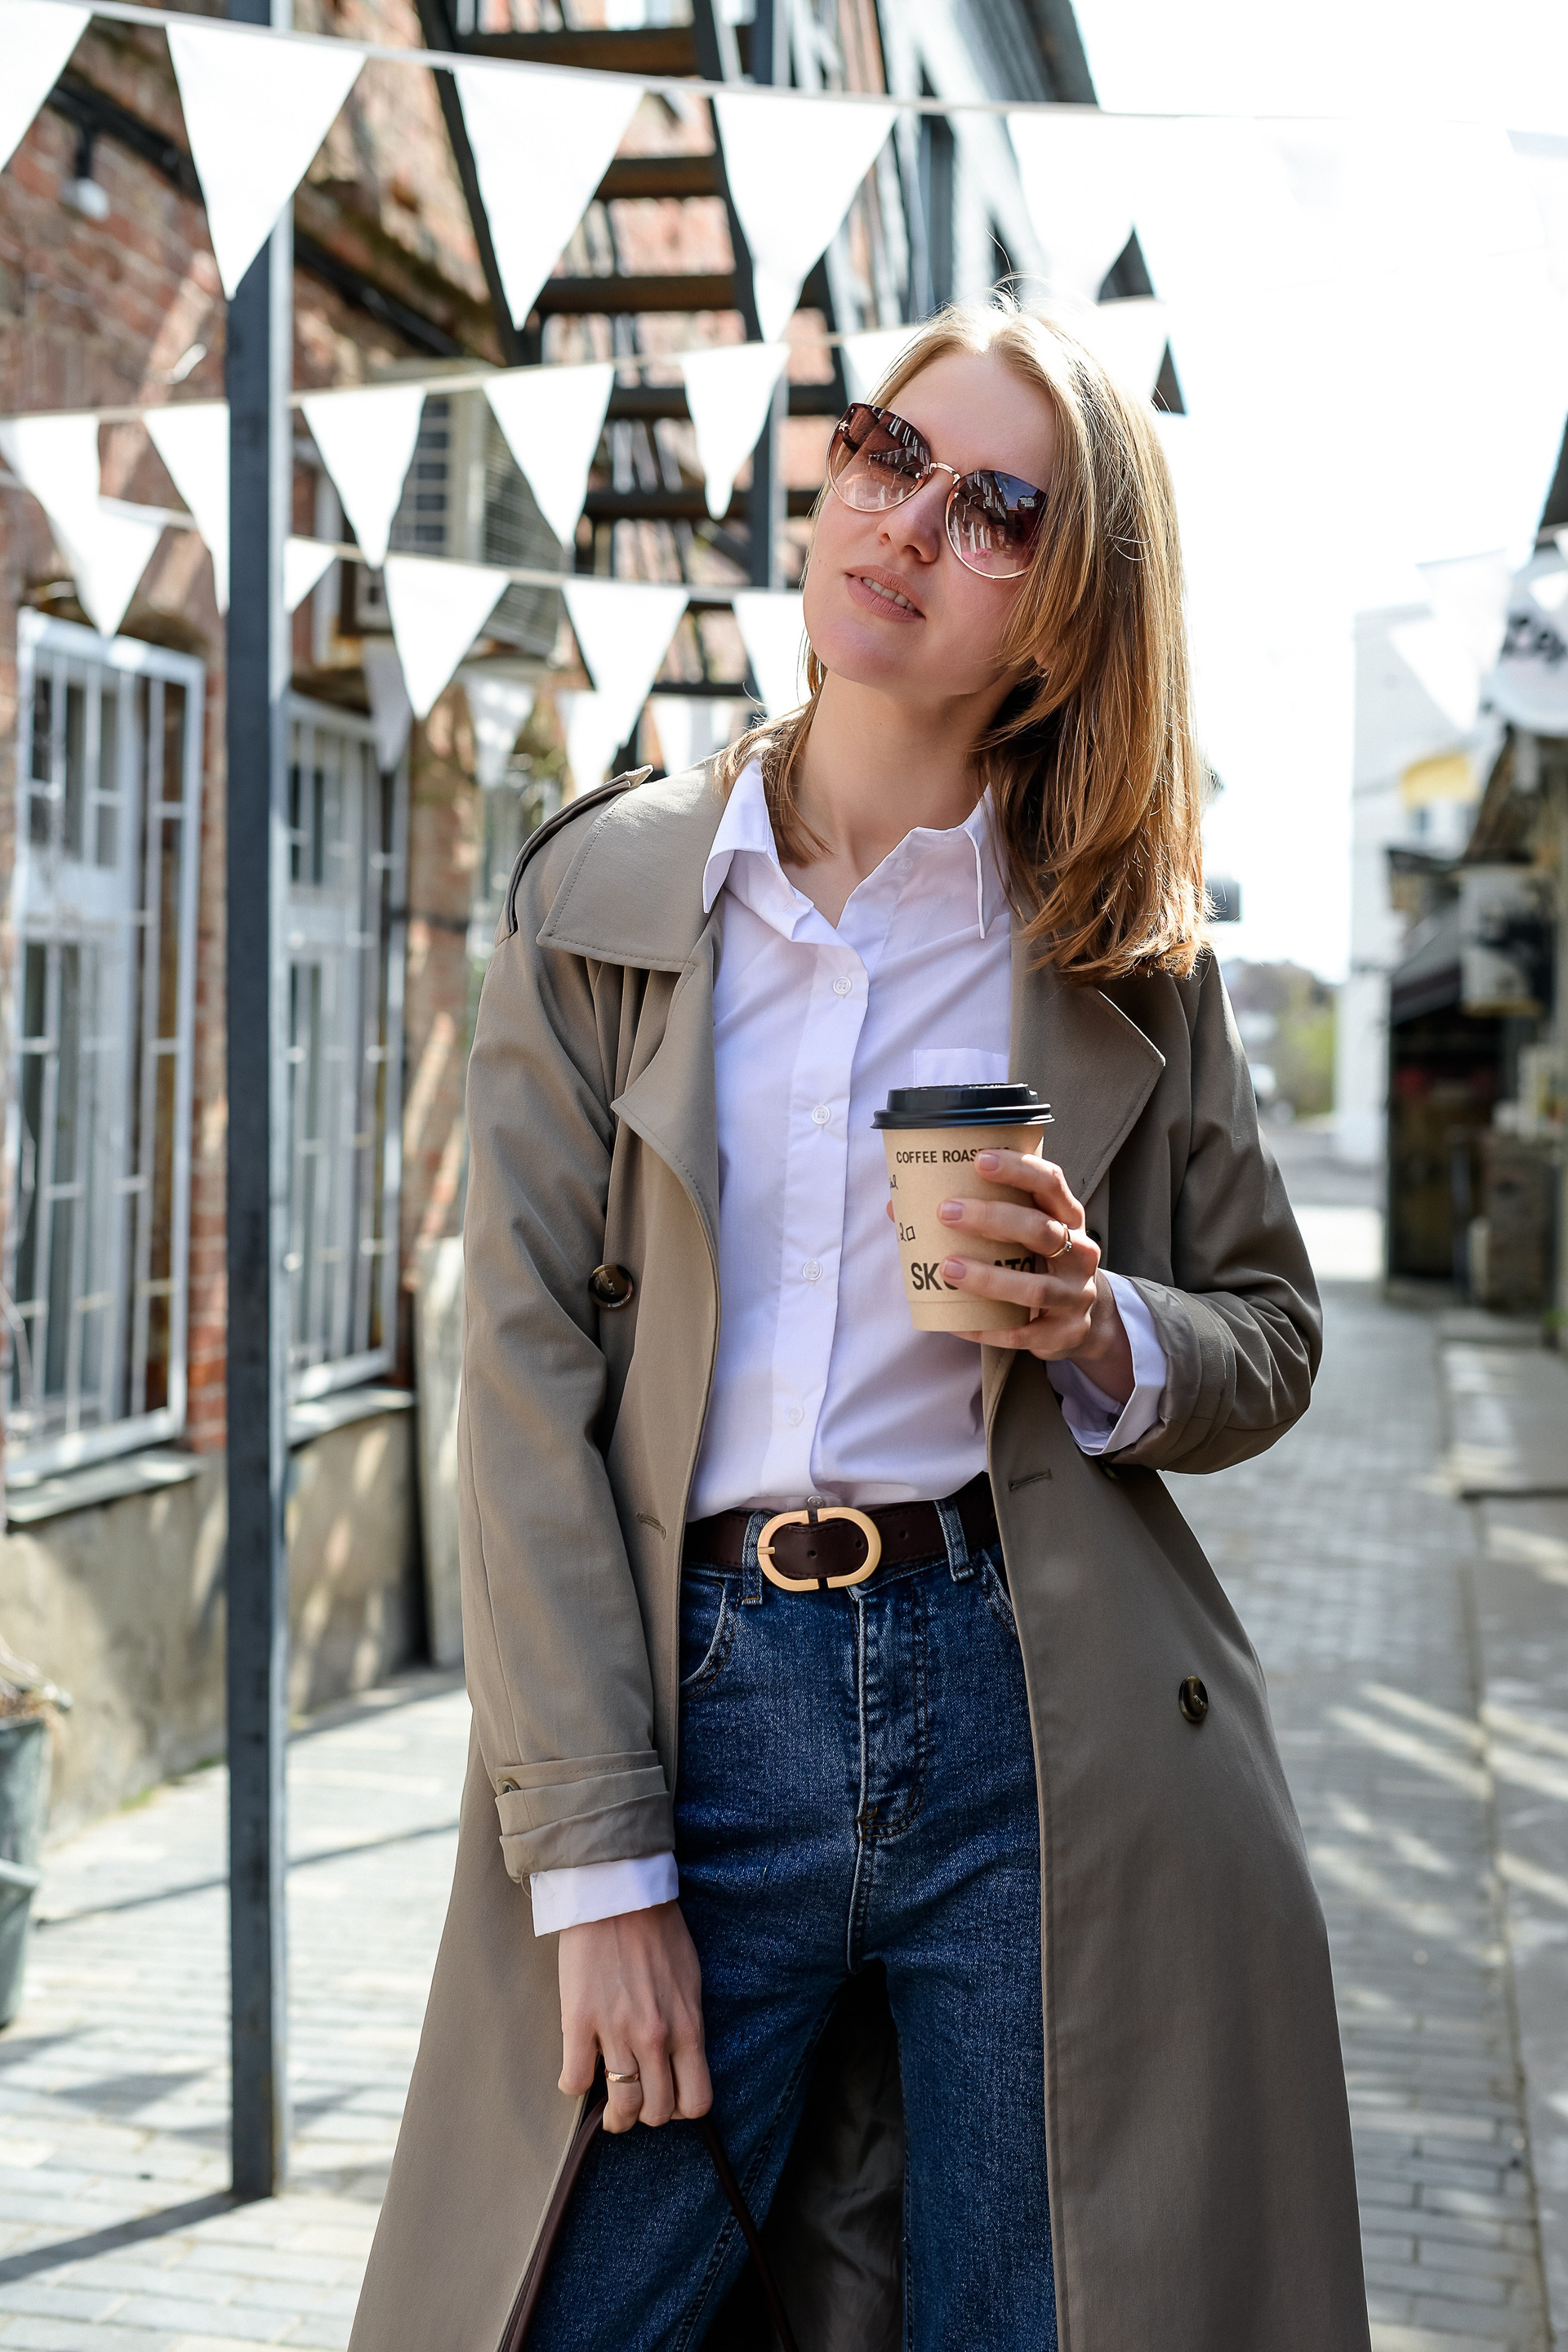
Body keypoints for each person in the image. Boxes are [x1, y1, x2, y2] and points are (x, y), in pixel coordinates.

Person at [349, 299, 1369, 2352]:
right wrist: (598, 1867)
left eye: (997, 510)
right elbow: (524, 1392)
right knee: (567, 2301)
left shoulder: (1124, 947)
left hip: (1035, 1712)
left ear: (1066, 623)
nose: (906, 523)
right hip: (695, 1698)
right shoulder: (606, 901)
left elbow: (1270, 1330)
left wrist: (1101, 1326)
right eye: (889, 452)